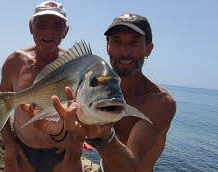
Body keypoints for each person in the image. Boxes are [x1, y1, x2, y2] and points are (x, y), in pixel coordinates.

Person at [52, 13, 176, 172]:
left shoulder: (160, 103)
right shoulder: (95, 90)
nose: (125, 51)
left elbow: (133, 167)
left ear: (148, 49)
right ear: (108, 47)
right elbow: (75, 143)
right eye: (117, 42)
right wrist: (60, 133)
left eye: (134, 42)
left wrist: (103, 138)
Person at [0, 0, 81, 172]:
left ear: (65, 31)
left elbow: (83, 113)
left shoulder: (74, 65)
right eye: (41, 24)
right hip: (23, 151)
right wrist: (9, 145)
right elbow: (0, 106)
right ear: (31, 27)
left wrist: (75, 143)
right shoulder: (15, 61)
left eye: (57, 26)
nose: (48, 32)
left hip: (62, 153)